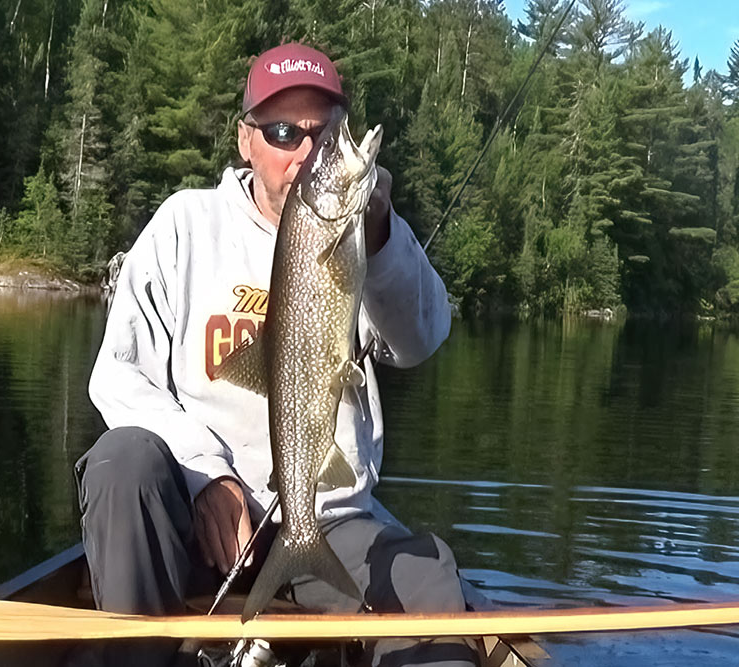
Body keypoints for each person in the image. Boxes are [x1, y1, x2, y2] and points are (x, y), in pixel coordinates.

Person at [76, 43, 475, 667]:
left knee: (429, 578)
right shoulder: (186, 225)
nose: (306, 152)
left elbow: (422, 337)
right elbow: (117, 375)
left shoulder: (365, 237)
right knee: (122, 462)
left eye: (326, 133)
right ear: (246, 140)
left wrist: (380, 235)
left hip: (330, 522)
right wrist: (207, 473)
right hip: (201, 522)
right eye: (284, 132)